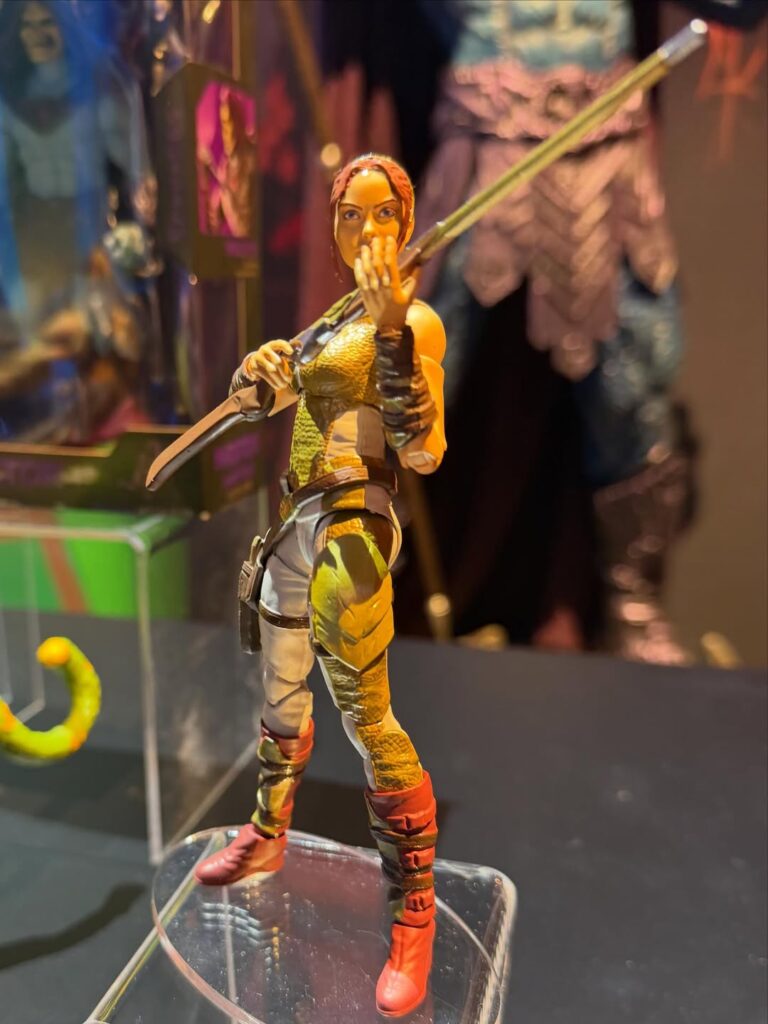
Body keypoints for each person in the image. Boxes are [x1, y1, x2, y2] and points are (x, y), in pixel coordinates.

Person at [193, 154, 446, 1019]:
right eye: (349, 214)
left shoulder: (414, 321)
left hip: (353, 526)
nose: (365, 229)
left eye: (382, 213)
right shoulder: (329, 324)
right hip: (292, 525)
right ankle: (268, 835)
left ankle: (415, 909)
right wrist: (256, 373)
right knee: (281, 694)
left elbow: (423, 449)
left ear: (405, 223)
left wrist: (392, 333)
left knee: (367, 716)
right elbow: (267, 400)